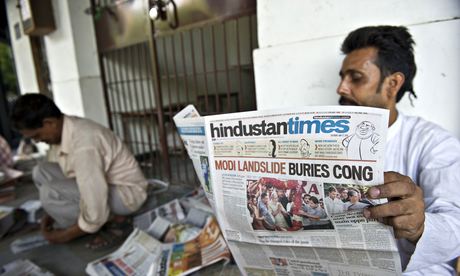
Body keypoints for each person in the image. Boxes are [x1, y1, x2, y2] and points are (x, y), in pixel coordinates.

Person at [337, 25, 460, 274]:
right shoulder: (329, 140)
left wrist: (420, 227)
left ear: (392, 84)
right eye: (342, 77)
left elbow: (455, 225)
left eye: (355, 77)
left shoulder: (435, 143)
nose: (341, 88)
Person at [10, 94, 148, 248]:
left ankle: (115, 221)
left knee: (49, 193)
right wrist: (50, 212)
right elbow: (78, 176)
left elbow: (94, 194)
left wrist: (64, 236)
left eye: (37, 135)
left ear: (50, 123)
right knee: (40, 171)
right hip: (105, 184)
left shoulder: (84, 143)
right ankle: (91, 219)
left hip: (126, 195)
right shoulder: (65, 128)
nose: (36, 141)